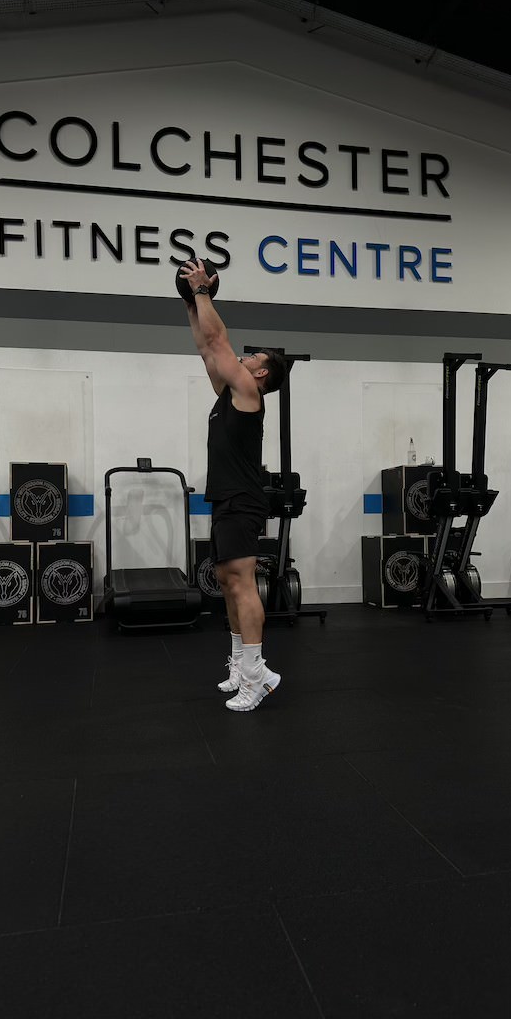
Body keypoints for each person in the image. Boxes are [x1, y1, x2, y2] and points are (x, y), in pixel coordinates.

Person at [179, 258, 287, 711]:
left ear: (261, 374)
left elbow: (219, 341)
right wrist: (190, 303)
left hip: (243, 499)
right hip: (225, 496)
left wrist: (204, 292)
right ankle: (242, 667)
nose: (242, 359)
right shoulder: (228, 394)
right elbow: (209, 350)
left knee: (242, 582)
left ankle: (256, 677)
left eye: (252, 358)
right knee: (226, 580)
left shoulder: (248, 393)